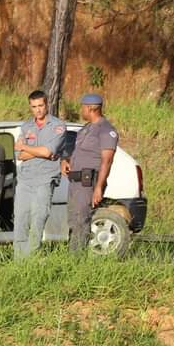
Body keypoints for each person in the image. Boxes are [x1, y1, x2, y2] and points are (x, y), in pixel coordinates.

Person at [60, 93, 118, 253]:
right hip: (75, 182)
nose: (81, 111)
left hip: (88, 183)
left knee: (81, 221)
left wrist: (98, 187)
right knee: (73, 221)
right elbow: (79, 152)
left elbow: (107, 161)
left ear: (90, 108)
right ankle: (72, 255)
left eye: (82, 108)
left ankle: (76, 260)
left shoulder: (106, 130)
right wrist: (66, 160)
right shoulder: (86, 128)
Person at [13, 90, 66, 258]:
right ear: (30, 107)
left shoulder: (57, 126)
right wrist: (40, 151)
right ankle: (19, 260)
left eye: (41, 105)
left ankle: (31, 258)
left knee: (38, 218)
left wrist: (26, 148)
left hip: (44, 178)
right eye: (34, 106)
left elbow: (47, 151)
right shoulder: (26, 127)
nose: (38, 110)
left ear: (47, 104)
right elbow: (19, 155)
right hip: (26, 179)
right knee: (21, 219)